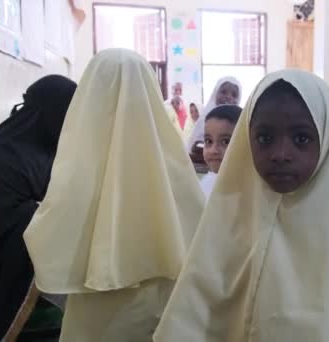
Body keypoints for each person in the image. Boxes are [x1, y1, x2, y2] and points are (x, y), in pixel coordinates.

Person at [154, 70, 329, 342]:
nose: (281, 155)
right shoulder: (228, 217)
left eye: (301, 139)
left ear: (328, 137)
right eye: (264, 138)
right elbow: (197, 311)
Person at [23, 49, 205, 341]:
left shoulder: (79, 163)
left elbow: (50, 232)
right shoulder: (173, 162)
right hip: (167, 309)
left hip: (97, 310)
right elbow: (199, 230)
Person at [0, 75, 77, 342]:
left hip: (35, 264)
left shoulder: (42, 149)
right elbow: (2, 225)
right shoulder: (0, 154)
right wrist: (54, 213)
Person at [187, 77, 242, 154]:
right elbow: (194, 147)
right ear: (215, 94)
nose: (229, 97)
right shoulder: (204, 119)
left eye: (234, 95)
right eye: (223, 92)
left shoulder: (240, 122)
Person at [200, 104, 242, 199]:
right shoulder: (207, 184)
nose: (213, 150)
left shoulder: (252, 191)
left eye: (226, 141)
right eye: (208, 141)